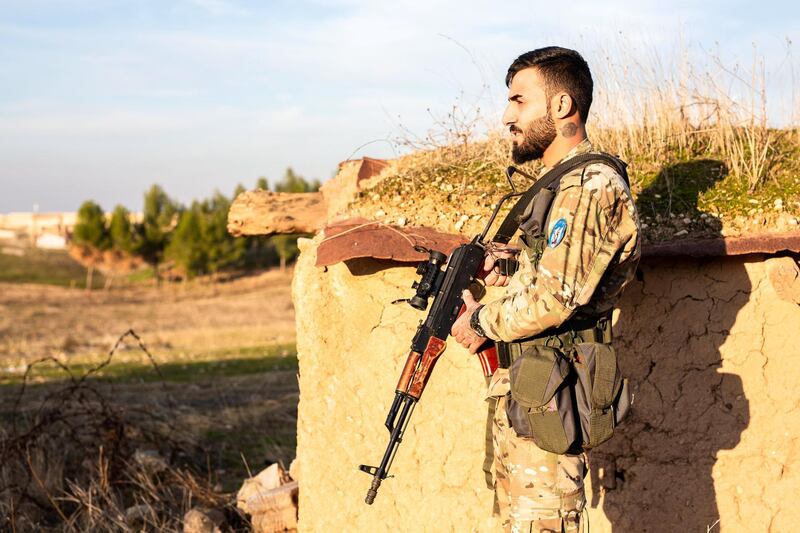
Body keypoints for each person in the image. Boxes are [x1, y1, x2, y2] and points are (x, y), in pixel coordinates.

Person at [450, 47, 641, 532]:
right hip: (532, 395)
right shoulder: (563, 185)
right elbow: (556, 275)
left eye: (519, 101)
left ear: (560, 107)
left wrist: (478, 322)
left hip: (555, 395)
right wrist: (510, 268)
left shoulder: (590, 187)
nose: (507, 116)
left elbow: (556, 299)